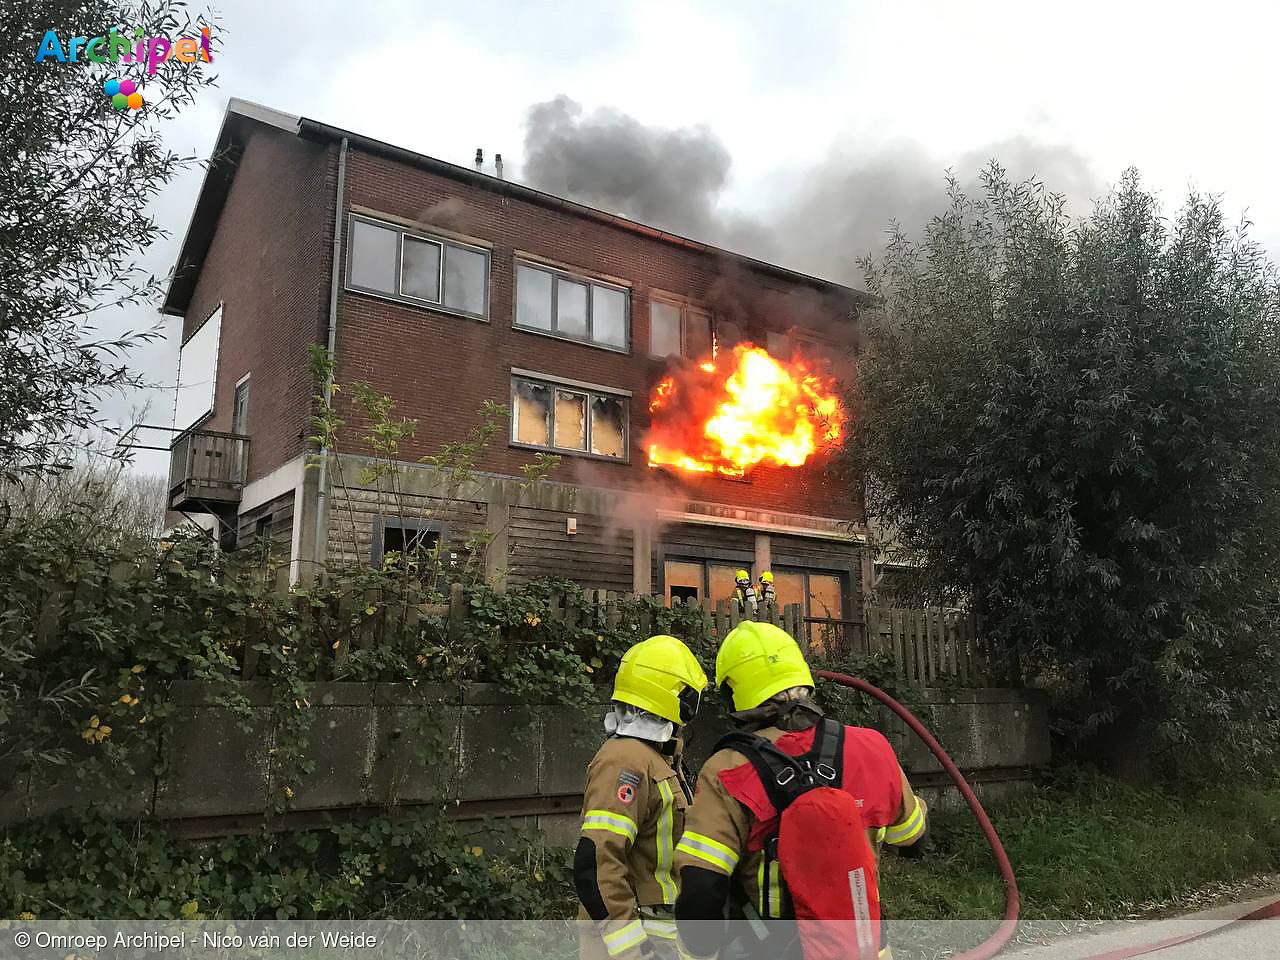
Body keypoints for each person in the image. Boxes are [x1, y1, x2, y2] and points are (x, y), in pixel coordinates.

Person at [673, 622, 927, 960]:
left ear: (735, 694)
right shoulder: (873, 748)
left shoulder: (727, 769)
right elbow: (912, 841)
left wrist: (697, 953)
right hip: (864, 949)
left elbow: (701, 887)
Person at [576, 635, 709, 960]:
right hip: (638, 946)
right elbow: (597, 863)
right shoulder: (626, 761)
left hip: (662, 940)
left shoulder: (655, 758)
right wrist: (633, 951)